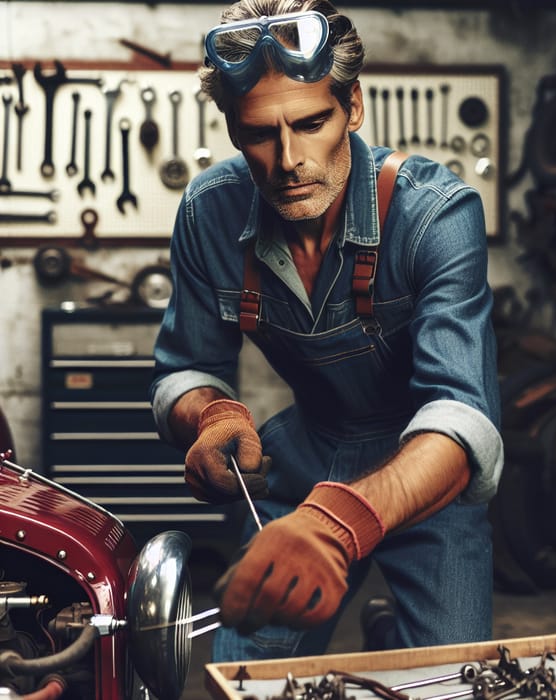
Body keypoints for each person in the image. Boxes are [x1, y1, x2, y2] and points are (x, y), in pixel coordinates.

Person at [150, 0, 503, 662]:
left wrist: (338, 522)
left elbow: (462, 417)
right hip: (308, 454)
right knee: (243, 672)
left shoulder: (436, 215)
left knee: (449, 676)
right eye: (259, 133)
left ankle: (389, 635)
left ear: (355, 107)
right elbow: (184, 368)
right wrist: (211, 415)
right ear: (230, 128)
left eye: (312, 123)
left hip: (424, 469)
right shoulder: (208, 212)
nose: (289, 160)